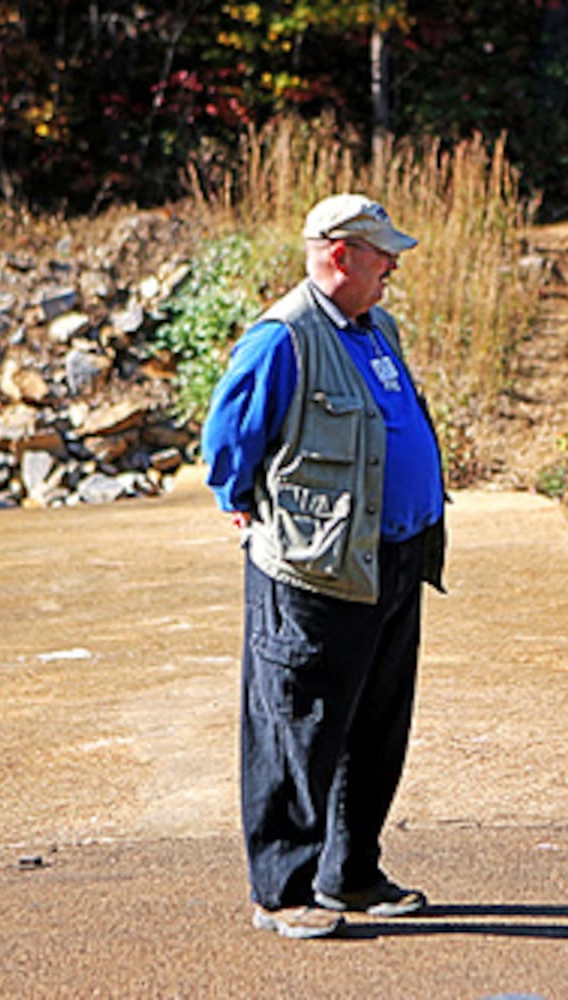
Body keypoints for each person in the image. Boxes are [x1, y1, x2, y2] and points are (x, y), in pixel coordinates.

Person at [201, 193, 447, 939]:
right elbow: (227, 439)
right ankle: (282, 891)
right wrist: (237, 500)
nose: (394, 266)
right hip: (314, 571)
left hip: (393, 561)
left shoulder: (381, 328)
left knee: (375, 728)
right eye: (382, 254)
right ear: (340, 255)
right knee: (298, 730)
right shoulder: (282, 337)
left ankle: (351, 876)